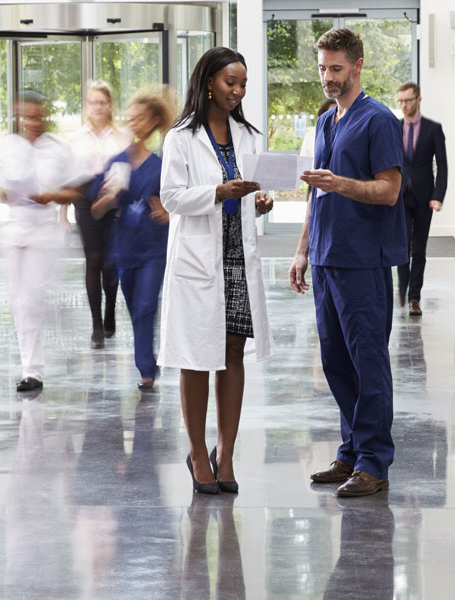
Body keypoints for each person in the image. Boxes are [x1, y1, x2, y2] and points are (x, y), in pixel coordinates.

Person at [290, 28, 407, 497]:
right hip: (325, 256)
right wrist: (302, 250)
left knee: (367, 362)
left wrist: (343, 184)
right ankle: (352, 451)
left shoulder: (378, 121)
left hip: (364, 261)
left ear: (358, 66)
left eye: (336, 69)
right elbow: (316, 194)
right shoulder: (325, 122)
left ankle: (374, 462)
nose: (328, 77)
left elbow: (390, 189)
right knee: (336, 361)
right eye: (322, 68)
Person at [159, 46, 274, 494]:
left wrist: (256, 202)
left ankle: (225, 455)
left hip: (236, 259)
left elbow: (247, 195)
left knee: (232, 353)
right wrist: (218, 192)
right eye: (231, 83)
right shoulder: (181, 137)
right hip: (198, 261)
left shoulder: (247, 134)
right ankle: (196, 452)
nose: (238, 91)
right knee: (195, 358)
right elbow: (171, 197)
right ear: (208, 82)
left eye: (243, 84)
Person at [0, 91, 83, 392]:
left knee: (33, 296)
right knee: (20, 300)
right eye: (26, 116)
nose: (33, 122)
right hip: (13, 227)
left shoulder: (59, 149)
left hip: (43, 229)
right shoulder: (5, 147)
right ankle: (31, 370)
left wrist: (50, 195)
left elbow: (75, 191)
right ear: (18, 117)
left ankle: (40, 360)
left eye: (37, 116)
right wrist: (4, 192)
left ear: (45, 115)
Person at [90, 88, 175, 390]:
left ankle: (146, 369)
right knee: (135, 307)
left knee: (145, 306)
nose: (134, 123)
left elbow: (178, 203)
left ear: (153, 122)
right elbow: (96, 209)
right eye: (131, 118)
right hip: (125, 249)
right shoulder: (117, 162)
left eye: (140, 118)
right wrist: (109, 199)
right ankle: (147, 362)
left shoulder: (163, 164)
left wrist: (169, 213)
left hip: (154, 247)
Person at [68, 81, 132, 348]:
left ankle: (109, 311)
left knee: (110, 263)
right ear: (87, 105)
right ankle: (96, 324)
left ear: (110, 105)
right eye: (92, 102)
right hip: (84, 202)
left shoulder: (123, 136)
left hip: (114, 201)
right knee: (93, 260)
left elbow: (128, 171)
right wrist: (62, 214)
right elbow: (68, 179)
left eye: (102, 102)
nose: (97, 107)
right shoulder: (76, 139)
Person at [396, 82, 448, 316]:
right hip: (399, 197)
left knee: (418, 249)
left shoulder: (433, 129)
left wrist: (438, 196)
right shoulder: (394, 128)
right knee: (401, 247)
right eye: (401, 101)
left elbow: (443, 167)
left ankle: (414, 297)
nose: (404, 105)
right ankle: (402, 291)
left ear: (418, 100)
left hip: (424, 197)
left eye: (407, 100)